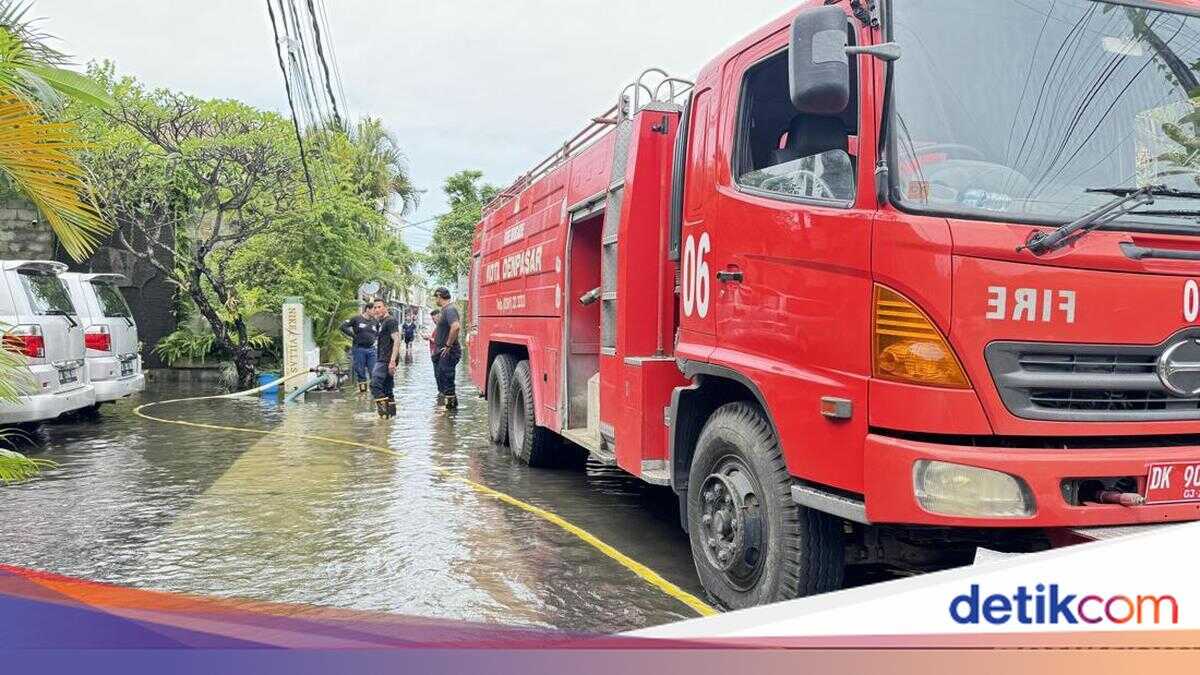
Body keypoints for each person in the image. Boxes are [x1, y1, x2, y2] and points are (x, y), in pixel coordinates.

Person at [431, 287, 462, 410]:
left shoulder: (450, 309)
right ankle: (446, 415)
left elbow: (456, 327)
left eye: (435, 297)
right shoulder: (445, 310)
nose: (435, 300)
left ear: (439, 296)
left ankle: (450, 413)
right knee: (442, 380)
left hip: (448, 351)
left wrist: (448, 345)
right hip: (442, 351)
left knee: (448, 382)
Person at [370, 299, 401, 418]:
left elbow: (397, 340)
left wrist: (392, 361)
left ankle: (383, 415)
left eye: (379, 307)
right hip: (384, 358)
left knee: (375, 385)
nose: (377, 310)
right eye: (375, 308)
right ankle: (391, 417)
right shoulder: (382, 322)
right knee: (387, 387)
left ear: (385, 308)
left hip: (386, 359)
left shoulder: (390, 321)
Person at [340, 303, 377, 394]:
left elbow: (378, 332)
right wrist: (353, 335)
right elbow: (343, 326)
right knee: (360, 372)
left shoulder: (375, 321)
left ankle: (374, 393)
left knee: (373, 372)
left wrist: (375, 339)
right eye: (373, 309)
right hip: (359, 349)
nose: (375, 311)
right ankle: (363, 393)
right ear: (367, 309)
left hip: (371, 350)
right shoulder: (357, 319)